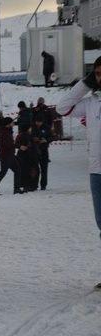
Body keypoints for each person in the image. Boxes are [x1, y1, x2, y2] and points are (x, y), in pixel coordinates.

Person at [56, 57, 101, 267]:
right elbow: (62, 108)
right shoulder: (92, 103)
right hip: (97, 171)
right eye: (98, 74)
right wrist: (85, 84)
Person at [0, 117, 21, 195]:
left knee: (17, 170)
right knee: (3, 172)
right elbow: (8, 144)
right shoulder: (4, 132)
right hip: (6, 156)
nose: (13, 123)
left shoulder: (7, 131)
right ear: (8, 124)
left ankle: (16, 189)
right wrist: (19, 146)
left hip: (10, 155)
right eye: (12, 122)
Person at [30, 115, 52, 190]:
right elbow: (28, 136)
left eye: (39, 122)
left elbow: (52, 137)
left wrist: (46, 140)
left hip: (44, 150)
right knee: (34, 168)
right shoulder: (32, 127)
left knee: (44, 169)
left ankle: (43, 185)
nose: (38, 123)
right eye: (37, 122)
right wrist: (33, 139)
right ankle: (34, 184)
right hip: (34, 150)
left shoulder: (47, 127)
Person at [15, 125, 39, 193]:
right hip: (28, 155)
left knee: (26, 170)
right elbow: (17, 144)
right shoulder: (26, 136)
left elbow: (16, 144)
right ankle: (30, 185)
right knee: (30, 170)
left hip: (24, 155)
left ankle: (28, 185)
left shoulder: (22, 135)